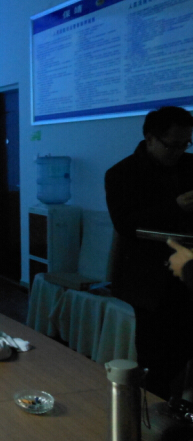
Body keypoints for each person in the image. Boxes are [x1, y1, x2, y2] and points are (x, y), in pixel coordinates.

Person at [105, 105, 193, 400]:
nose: (179, 152)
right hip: (150, 283)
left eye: (186, 144)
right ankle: (152, 415)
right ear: (150, 138)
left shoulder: (190, 165)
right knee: (156, 359)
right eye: (172, 145)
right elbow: (125, 224)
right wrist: (175, 206)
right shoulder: (121, 174)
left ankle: (180, 411)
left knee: (185, 353)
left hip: (188, 275)